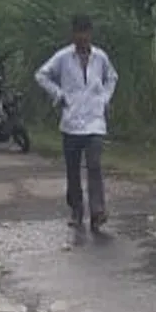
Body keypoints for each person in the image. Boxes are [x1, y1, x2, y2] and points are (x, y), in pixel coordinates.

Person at [34, 14, 119, 231]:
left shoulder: (100, 57)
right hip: (71, 121)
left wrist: (105, 98)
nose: (82, 37)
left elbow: (112, 77)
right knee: (73, 169)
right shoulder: (63, 57)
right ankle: (76, 209)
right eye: (78, 33)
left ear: (90, 33)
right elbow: (41, 75)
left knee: (94, 165)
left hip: (94, 121)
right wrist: (58, 95)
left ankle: (98, 211)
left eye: (85, 33)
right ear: (73, 34)